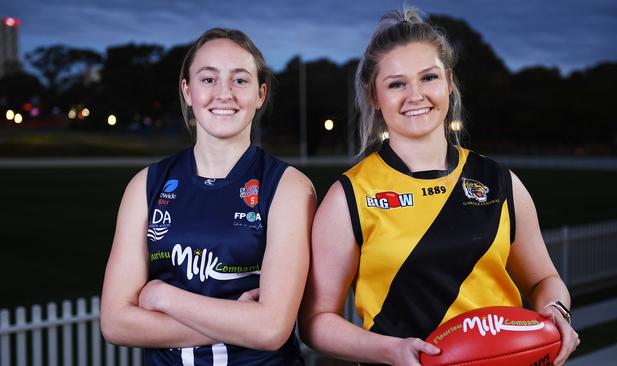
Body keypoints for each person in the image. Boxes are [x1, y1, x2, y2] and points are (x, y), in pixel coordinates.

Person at [299, 7, 579, 366]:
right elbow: (316, 321)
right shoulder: (350, 195)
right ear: (374, 95)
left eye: (428, 77)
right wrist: (389, 350)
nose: (415, 95)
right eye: (397, 83)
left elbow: (544, 279)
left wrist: (556, 311)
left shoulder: (499, 182)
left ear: (449, 82)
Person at [100, 27, 315, 365]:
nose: (224, 93)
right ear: (187, 91)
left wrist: (163, 296)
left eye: (240, 80)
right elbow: (115, 323)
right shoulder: (146, 185)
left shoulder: (288, 187)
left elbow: (271, 329)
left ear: (260, 94)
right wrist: (240, 321)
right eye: (208, 79)